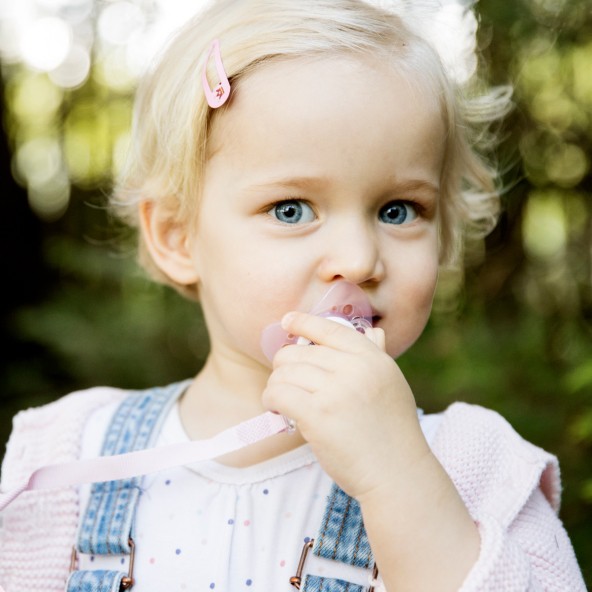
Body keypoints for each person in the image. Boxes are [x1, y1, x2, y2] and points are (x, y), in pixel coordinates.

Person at [0, 0, 586, 590]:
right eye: (291, 209)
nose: (358, 259)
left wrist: (401, 476)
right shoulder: (71, 457)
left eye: (398, 210)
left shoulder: (476, 467)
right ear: (178, 237)